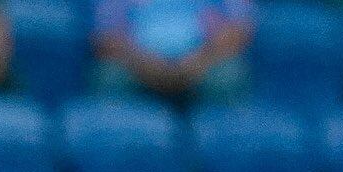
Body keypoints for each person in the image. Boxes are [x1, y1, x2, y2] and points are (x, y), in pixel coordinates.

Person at [93, 0, 254, 104]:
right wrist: (146, 64)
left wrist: (198, 62)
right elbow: (105, 36)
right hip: (137, 65)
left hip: (205, 65)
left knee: (228, 76)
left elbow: (240, 29)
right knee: (110, 75)